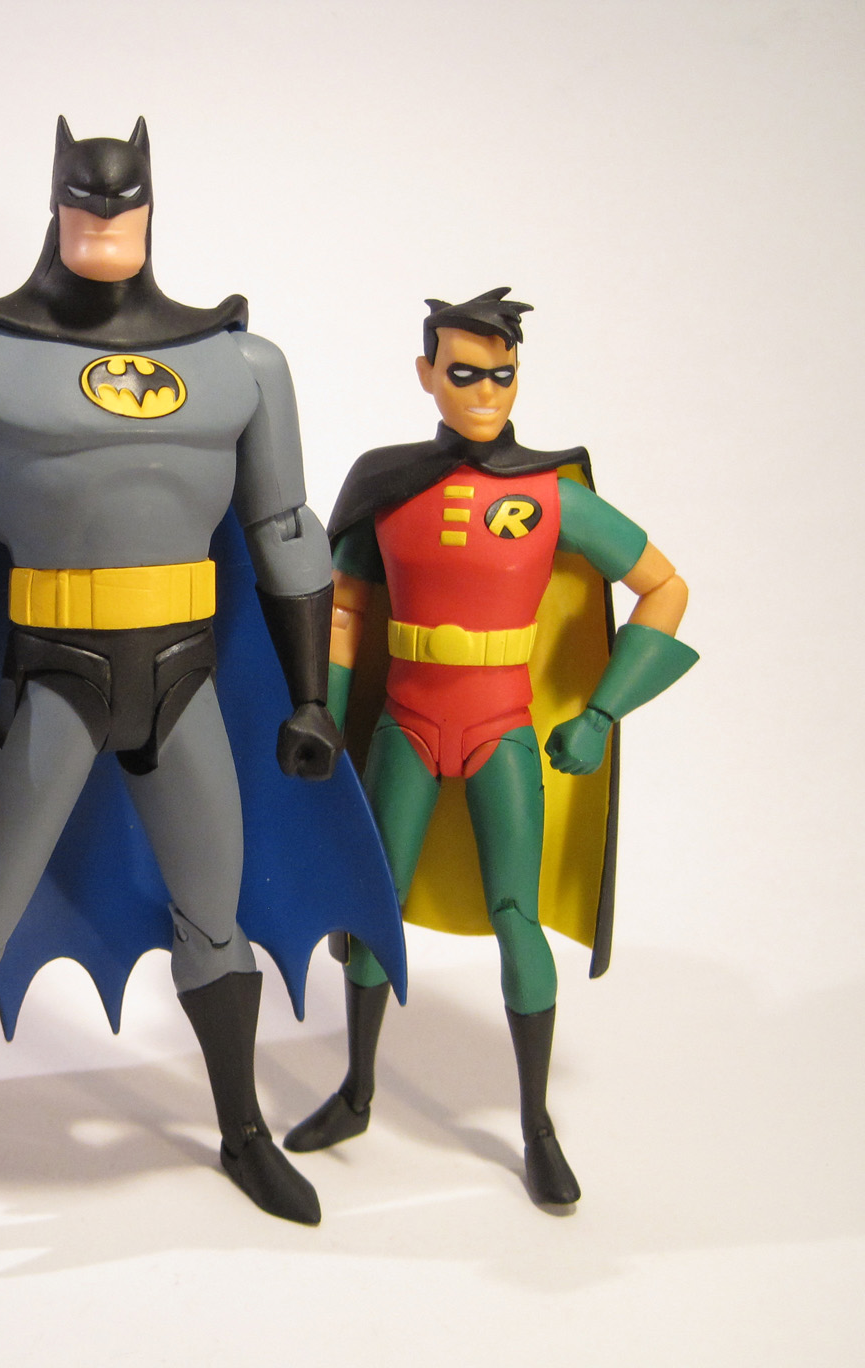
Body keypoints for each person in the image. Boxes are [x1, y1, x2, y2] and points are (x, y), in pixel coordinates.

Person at [0, 117, 403, 1319]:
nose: (104, 220)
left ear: (150, 206)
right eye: (85, 201)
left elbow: (284, 528)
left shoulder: (241, 363)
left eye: (123, 203)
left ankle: (240, 1130)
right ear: (56, 201)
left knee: (215, 915)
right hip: (49, 682)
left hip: (185, 680)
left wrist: (308, 696)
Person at [286, 288, 696, 1207]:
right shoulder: (386, 485)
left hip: (501, 727)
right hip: (404, 723)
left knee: (518, 914)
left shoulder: (551, 496)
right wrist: (322, 716)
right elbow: (343, 609)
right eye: (463, 373)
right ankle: (357, 1091)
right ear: (425, 374)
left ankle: (536, 1124)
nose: (482, 392)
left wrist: (603, 713)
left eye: (500, 375)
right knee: (374, 905)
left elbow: (664, 588)